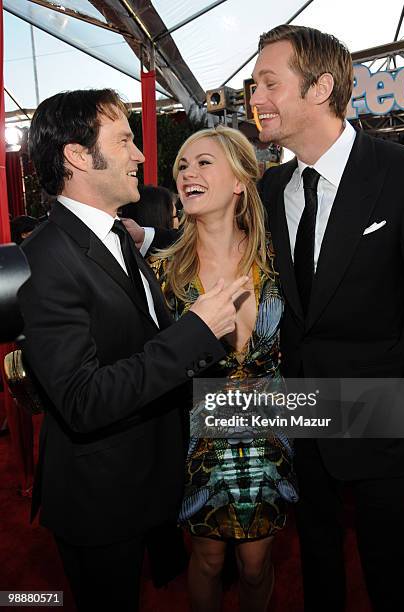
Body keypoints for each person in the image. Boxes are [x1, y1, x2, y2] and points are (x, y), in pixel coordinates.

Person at [17, 88, 248, 612]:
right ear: (78, 156)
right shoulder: (46, 261)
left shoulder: (114, 237)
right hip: (98, 499)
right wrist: (196, 331)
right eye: (124, 139)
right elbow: (82, 398)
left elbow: (140, 341)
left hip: (143, 480)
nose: (141, 155)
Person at [249, 24, 404, 612]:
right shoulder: (268, 188)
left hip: (390, 426)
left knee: (395, 579)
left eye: (268, 83)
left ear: (320, 87)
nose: (253, 98)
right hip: (302, 423)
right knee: (318, 573)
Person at [149, 125, 298, 612]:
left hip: (268, 435)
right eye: (182, 166)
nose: (187, 172)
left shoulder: (280, 258)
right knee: (208, 560)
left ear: (240, 180)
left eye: (203, 162)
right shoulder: (164, 272)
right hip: (198, 437)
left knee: (256, 564)